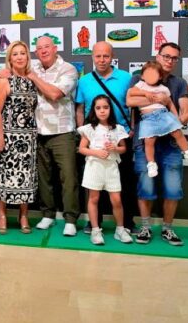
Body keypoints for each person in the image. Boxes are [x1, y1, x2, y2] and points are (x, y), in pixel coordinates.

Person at [126, 43, 188, 246]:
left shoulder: (179, 83)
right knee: (145, 186)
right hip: (144, 142)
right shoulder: (139, 78)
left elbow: (186, 113)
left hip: (171, 144)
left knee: (173, 188)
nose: (169, 60)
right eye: (166, 56)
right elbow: (130, 102)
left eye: (174, 58)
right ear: (158, 56)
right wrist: (156, 99)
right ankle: (145, 227)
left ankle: (167, 229)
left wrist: (174, 121)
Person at [75, 41, 137, 234]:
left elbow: (133, 106)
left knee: (125, 183)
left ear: (112, 57)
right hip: (94, 141)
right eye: (98, 56)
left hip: (120, 138)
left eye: (106, 56)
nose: (102, 60)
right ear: (92, 57)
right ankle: (95, 223)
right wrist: (81, 129)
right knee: (94, 183)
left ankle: (127, 222)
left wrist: (132, 128)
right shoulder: (84, 81)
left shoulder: (126, 78)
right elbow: (79, 107)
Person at [28, 36, 80, 236]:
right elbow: (10, 70)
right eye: (39, 48)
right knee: (44, 177)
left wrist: (33, 77)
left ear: (55, 48)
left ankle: (70, 219)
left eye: (47, 47)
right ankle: (47, 215)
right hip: (39, 132)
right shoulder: (35, 67)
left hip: (62, 132)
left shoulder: (68, 69)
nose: (43, 51)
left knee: (68, 177)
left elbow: (55, 93)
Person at [0, 41, 38, 234]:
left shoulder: (33, 80)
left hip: (28, 139)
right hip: (8, 137)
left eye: (22, 53)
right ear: (9, 58)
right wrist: (0, 137)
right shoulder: (4, 81)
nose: (19, 57)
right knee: (4, 177)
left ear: (27, 57)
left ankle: (23, 215)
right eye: (15, 54)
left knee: (26, 178)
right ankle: (2, 214)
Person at [128, 60, 188, 178]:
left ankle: (187, 151)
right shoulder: (140, 85)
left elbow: (170, 104)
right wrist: (145, 93)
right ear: (142, 76)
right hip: (147, 119)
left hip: (163, 114)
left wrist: (176, 118)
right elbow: (131, 92)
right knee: (148, 141)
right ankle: (151, 163)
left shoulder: (164, 89)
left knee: (177, 133)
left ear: (160, 76)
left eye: (154, 74)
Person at [77, 95, 133, 245]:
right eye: (98, 108)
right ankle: (95, 230)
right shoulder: (89, 128)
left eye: (105, 107)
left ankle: (120, 229)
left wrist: (115, 148)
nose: (102, 111)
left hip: (111, 168)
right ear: (94, 110)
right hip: (94, 167)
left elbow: (123, 148)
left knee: (116, 200)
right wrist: (96, 152)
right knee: (93, 198)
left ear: (110, 109)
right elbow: (82, 149)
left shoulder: (118, 128)